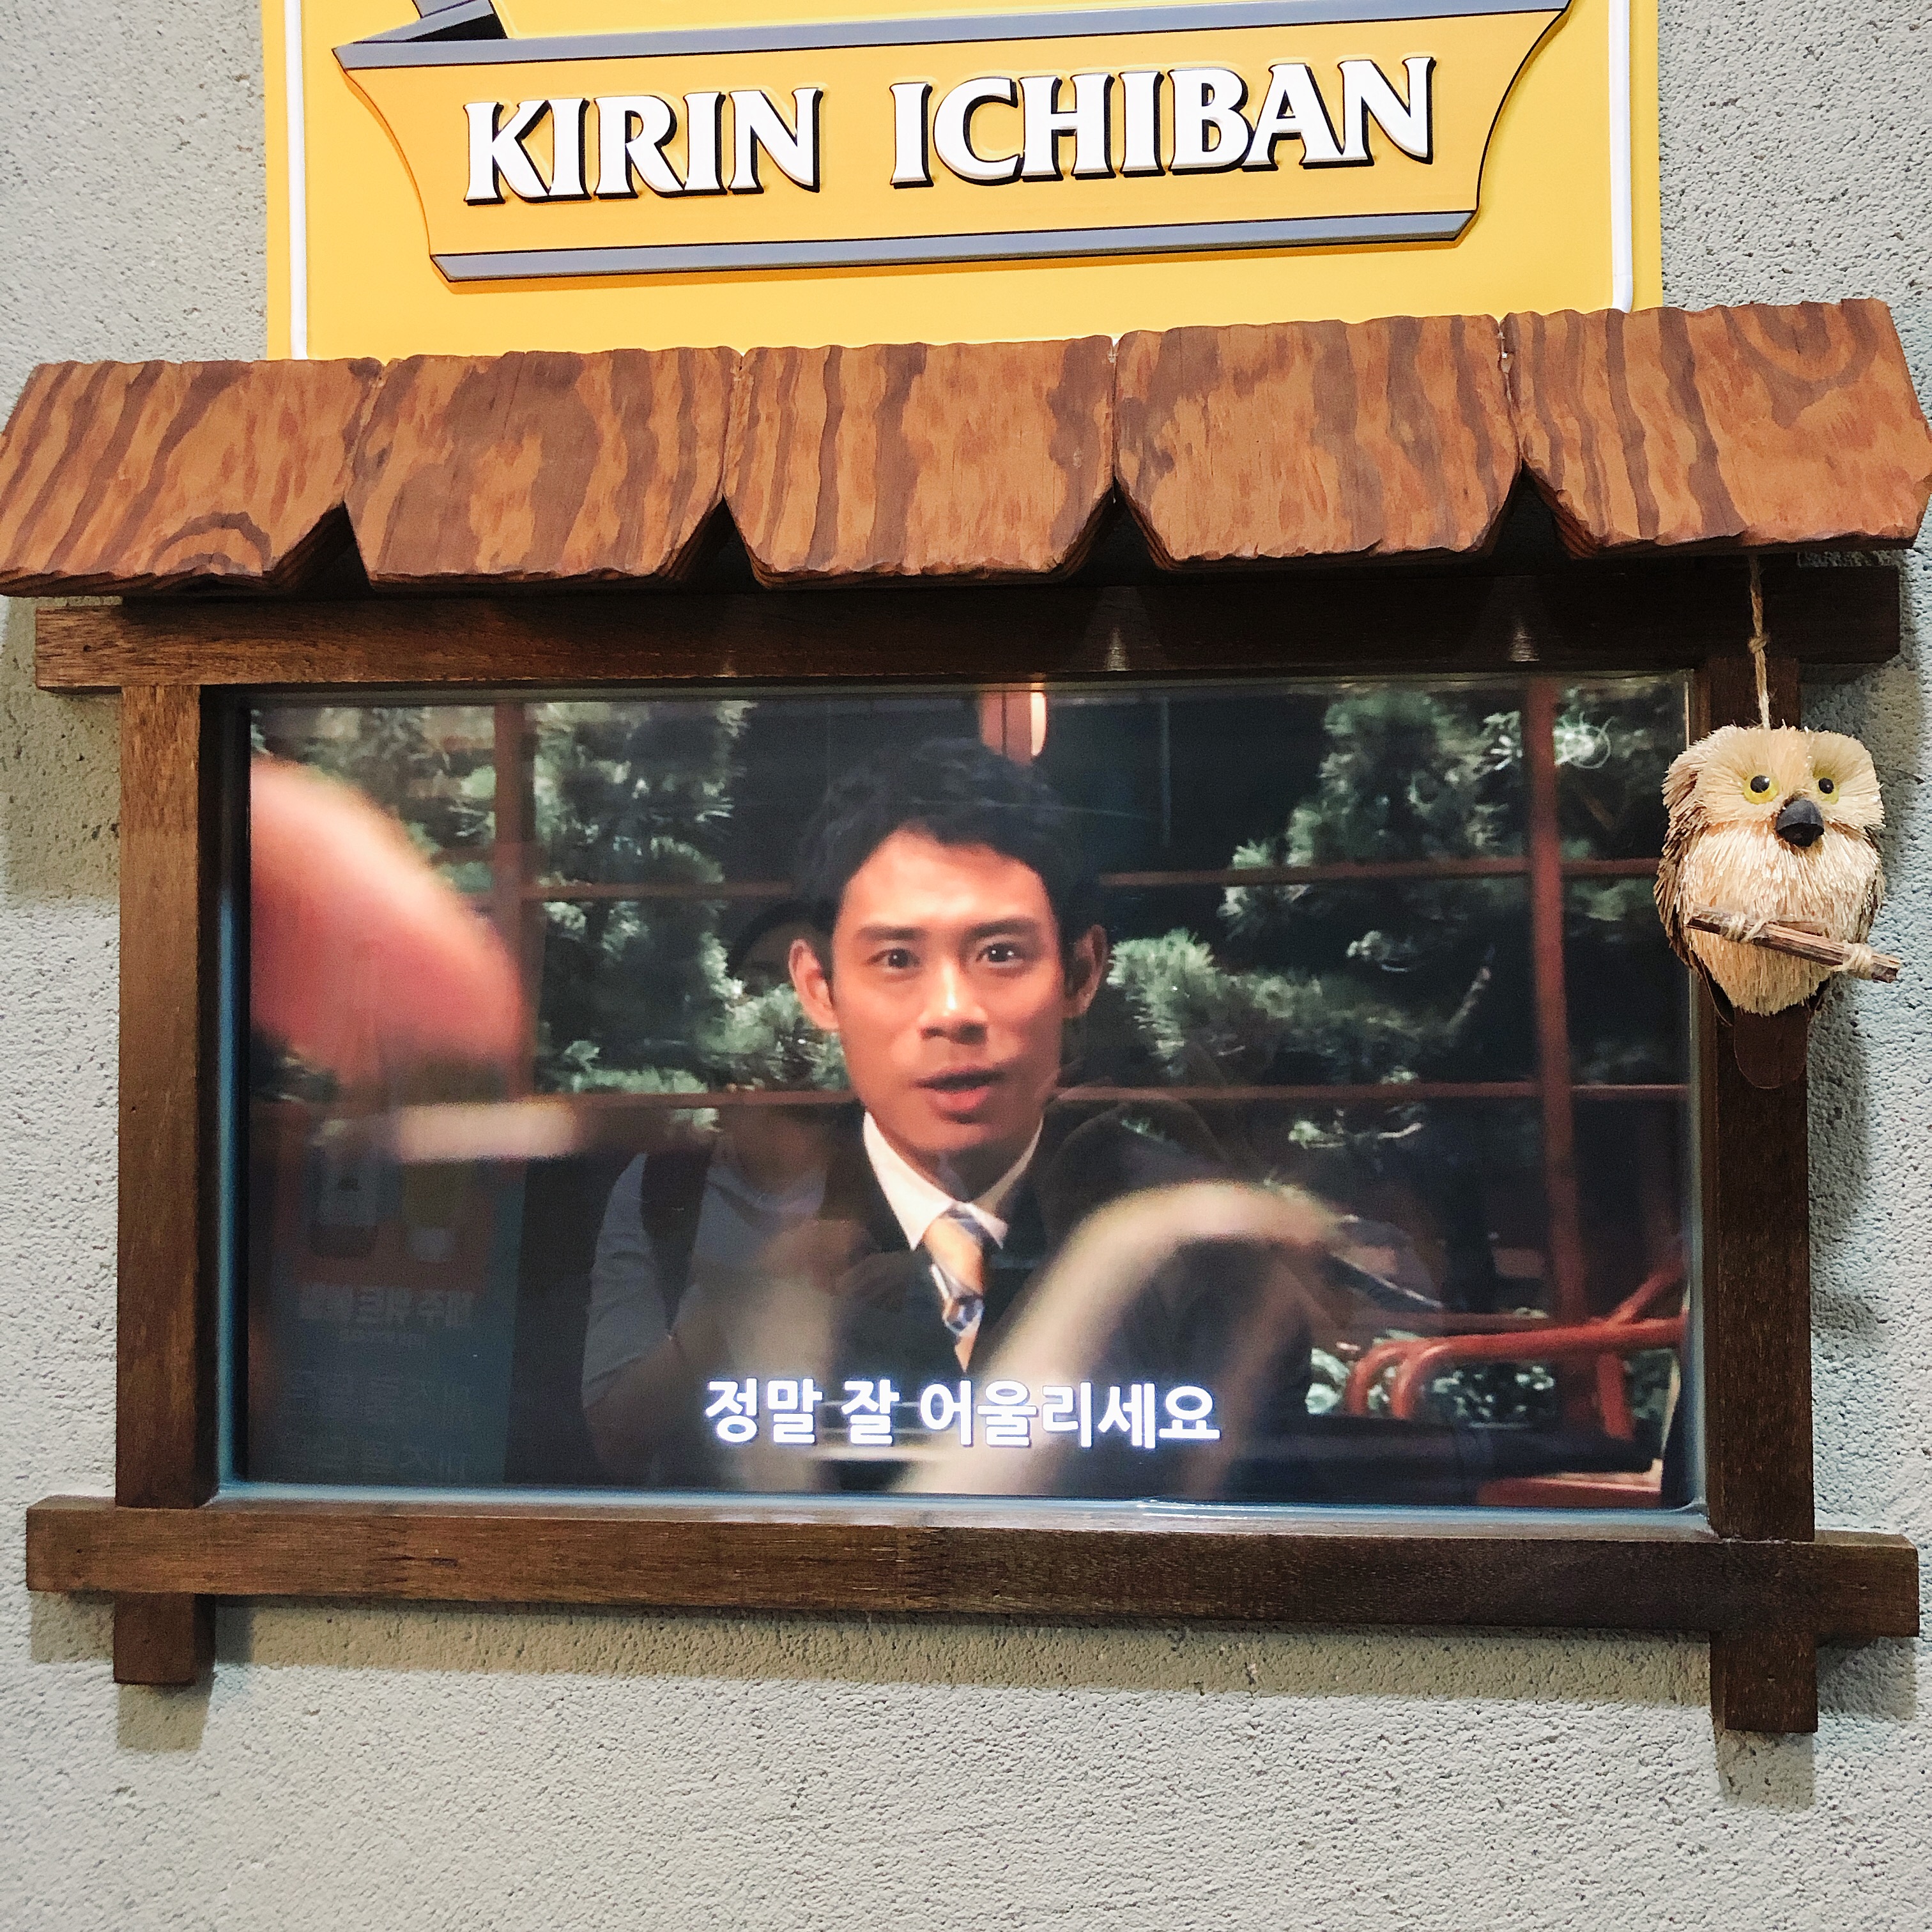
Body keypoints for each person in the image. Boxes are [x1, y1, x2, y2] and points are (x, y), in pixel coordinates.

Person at [579, 901, 841, 1483]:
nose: (785, 1011)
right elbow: (615, 1437)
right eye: (759, 987)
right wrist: (751, 1295)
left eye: (818, 987)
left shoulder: (905, 1179)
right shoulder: (664, 1182)